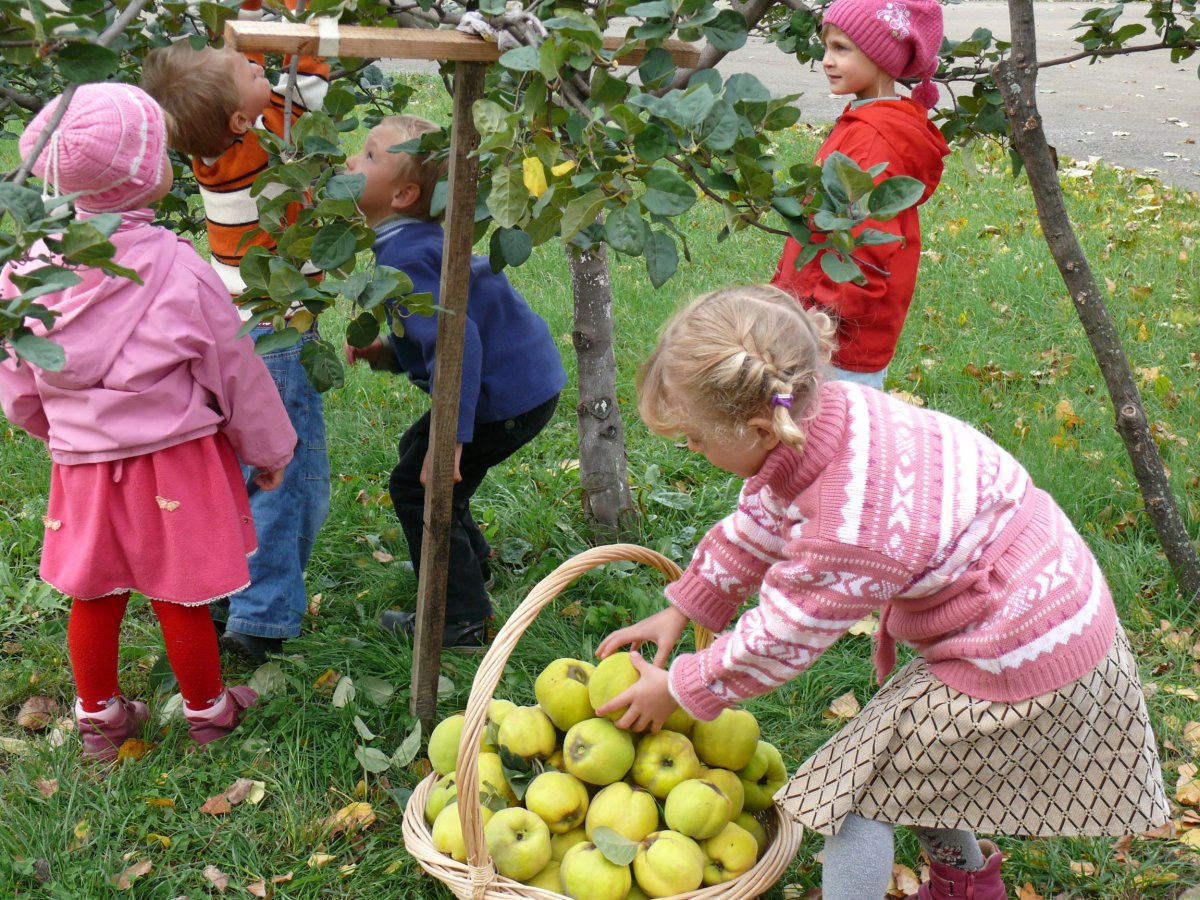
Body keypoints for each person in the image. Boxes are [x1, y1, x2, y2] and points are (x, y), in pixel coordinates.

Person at [594, 285, 1170, 900]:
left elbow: (785, 632)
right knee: (913, 765)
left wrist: (683, 685)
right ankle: (967, 887)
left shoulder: (851, 522)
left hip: (1022, 650)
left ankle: (948, 885)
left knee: (854, 796)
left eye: (696, 439)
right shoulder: (827, 417)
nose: (693, 450)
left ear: (760, 426)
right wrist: (685, 607)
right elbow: (760, 520)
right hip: (1035, 609)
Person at [0, 84, 297, 758]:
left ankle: (101, 723)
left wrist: (54, 431)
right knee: (183, 594)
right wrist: (271, 447)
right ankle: (208, 714)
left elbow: (16, 375)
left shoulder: (25, 270)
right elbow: (234, 368)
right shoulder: (177, 266)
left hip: (82, 468)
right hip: (176, 461)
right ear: (146, 177)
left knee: (94, 592)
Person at [141, 0, 332, 665]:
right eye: (251, 70)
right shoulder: (262, 145)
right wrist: (300, 22)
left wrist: (251, 15)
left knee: (260, 468)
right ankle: (263, 616)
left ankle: (229, 586)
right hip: (277, 333)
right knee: (284, 471)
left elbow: (270, 78)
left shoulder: (217, 152)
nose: (260, 66)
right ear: (241, 119)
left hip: (237, 326)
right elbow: (309, 72)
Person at [342, 115, 566, 650]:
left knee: (420, 485)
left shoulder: (401, 253)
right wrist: (386, 352)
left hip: (503, 396)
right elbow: (437, 329)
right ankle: (473, 566)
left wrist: (451, 440)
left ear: (402, 194)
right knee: (416, 460)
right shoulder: (411, 240)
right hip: (520, 382)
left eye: (369, 156)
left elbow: (455, 341)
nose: (352, 161)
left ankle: (460, 618)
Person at [771, 0, 950, 389]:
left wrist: (826, 319)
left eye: (841, 49)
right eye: (826, 47)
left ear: (880, 57)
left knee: (834, 436)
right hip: (823, 321)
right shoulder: (867, 119)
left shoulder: (874, 138)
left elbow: (866, 243)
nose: (826, 60)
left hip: (837, 339)